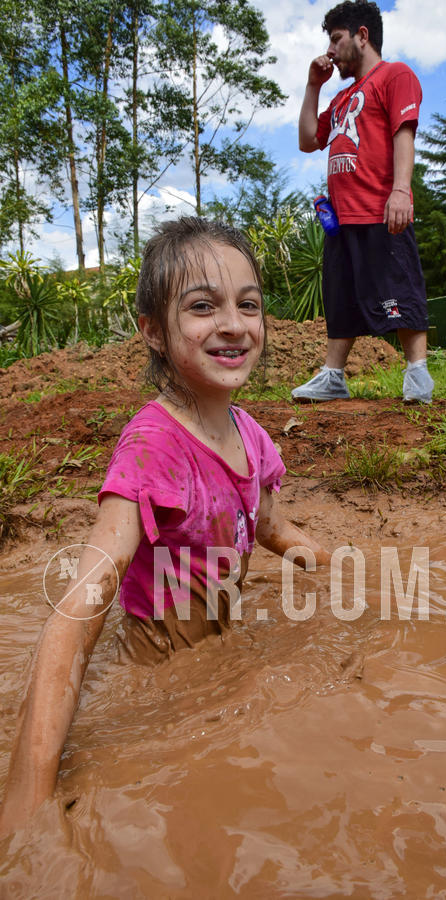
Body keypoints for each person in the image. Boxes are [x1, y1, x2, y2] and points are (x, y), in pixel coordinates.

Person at [0, 217, 330, 836]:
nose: (232, 324)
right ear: (152, 330)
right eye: (203, 306)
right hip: (157, 671)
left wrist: (340, 576)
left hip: (218, 645)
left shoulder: (252, 436)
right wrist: (26, 799)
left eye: (248, 305)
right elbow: (79, 608)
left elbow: (272, 528)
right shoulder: (153, 447)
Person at [291, 0, 433, 405]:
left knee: (399, 285)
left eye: (336, 39)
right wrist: (313, 85)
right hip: (341, 216)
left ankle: (417, 373)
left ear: (362, 35)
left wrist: (401, 190)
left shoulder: (395, 75)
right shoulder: (338, 99)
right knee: (341, 297)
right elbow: (306, 141)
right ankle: (333, 376)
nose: (331, 50)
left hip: (380, 207)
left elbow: (403, 132)